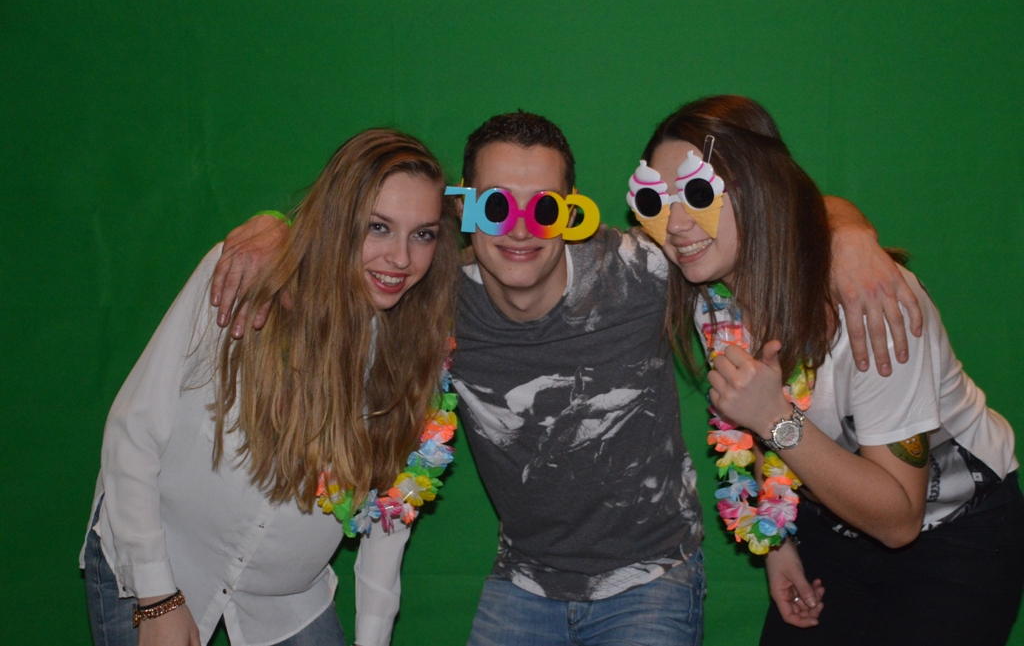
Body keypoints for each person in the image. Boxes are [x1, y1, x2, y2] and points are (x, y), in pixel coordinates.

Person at [214, 110, 922, 645]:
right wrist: (278, 227)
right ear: (462, 209)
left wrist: (849, 234)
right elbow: (345, 243)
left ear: (572, 211)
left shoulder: (643, 270)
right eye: (497, 205)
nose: (521, 229)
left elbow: (770, 216)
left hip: (653, 579)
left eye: (545, 207)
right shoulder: (432, 300)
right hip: (522, 582)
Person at [638, 95, 1024, 645]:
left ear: (761, 190)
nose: (676, 224)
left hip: (956, 530)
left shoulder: (870, 306)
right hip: (829, 522)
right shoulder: (713, 300)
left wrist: (773, 417)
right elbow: (756, 432)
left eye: (698, 193)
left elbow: (899, 520)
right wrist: (777, 542)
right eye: (655, 200)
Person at [80, 128, 460, 646]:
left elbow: (389, 517)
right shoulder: (244, 278)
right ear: (337, 218)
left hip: (286, 602)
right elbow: (133, 432)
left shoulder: (418, 353)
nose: (400, 258)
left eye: (423, 235)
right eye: (378, 227)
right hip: (159, 563)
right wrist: (157, 597)